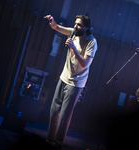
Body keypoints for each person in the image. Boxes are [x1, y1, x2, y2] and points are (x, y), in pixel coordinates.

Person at [44, 14, 97, 149]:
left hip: (76, 83)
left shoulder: (91, 42)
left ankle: (57, 144)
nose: (75, 26)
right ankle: (49, 141)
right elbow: (56, 27)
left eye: (79, 25)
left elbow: (85, 64)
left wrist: (73, 47)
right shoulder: (72, 32)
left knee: (64, 117)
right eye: (75, 23)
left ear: (86, 27)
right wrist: (52, 21)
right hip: (64, 77)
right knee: (54, 110)